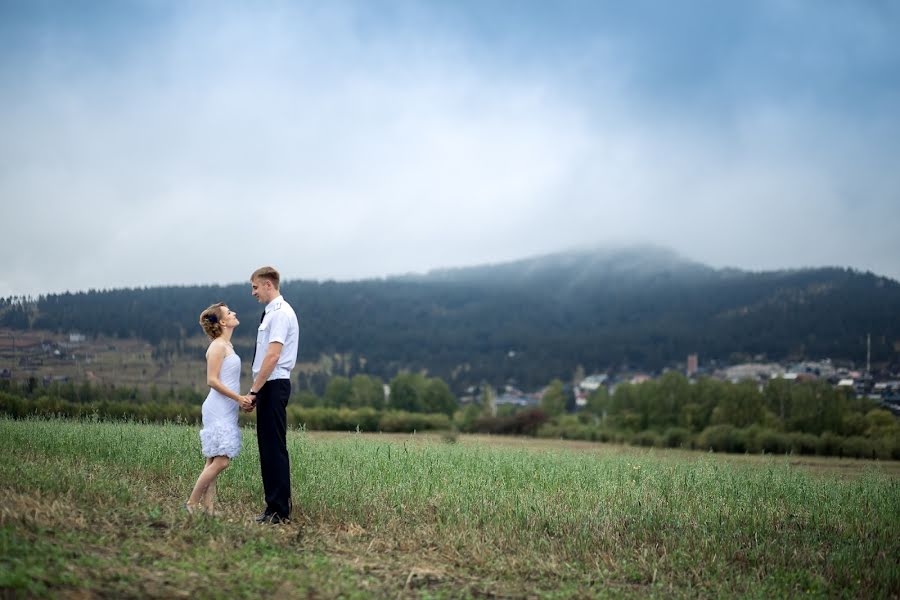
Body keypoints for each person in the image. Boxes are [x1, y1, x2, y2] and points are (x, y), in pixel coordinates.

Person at [243, 266, 299, 524]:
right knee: (267, 447)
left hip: (273, 384)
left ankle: (279, 511)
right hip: (270, 384)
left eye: (255, 287)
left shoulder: (279, 314)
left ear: (268, 284)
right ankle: (272, 507)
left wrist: (255, 389)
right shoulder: (271, 314)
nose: (253, 292)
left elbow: (273, 355)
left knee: (274, 447)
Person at [185, 303, 251, 515]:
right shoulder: (217, 346)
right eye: (230, 312)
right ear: (222, 322)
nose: (234, 313)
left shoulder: (227, 345)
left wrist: (238, 401)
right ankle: (192, 504)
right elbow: (212, 380)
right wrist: (239, 398)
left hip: (227, 407)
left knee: (213, 460)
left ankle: (209, 508)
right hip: (218, 407)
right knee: (221, 461)